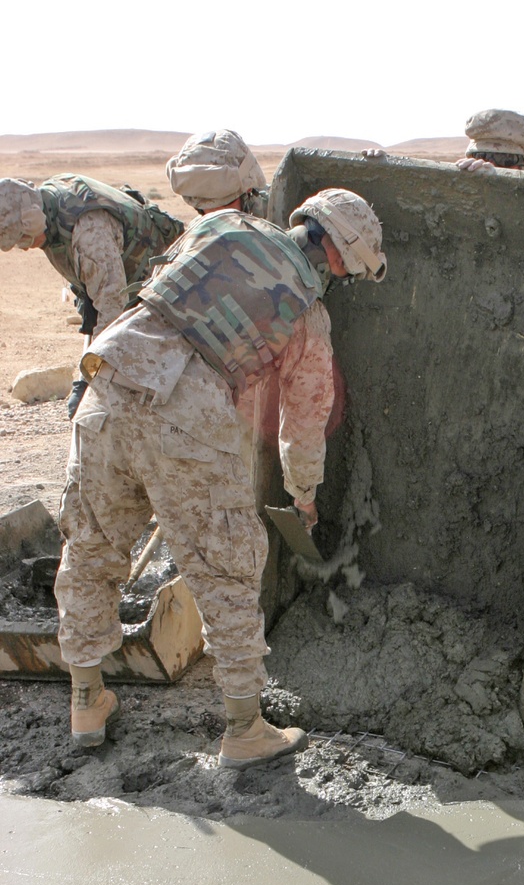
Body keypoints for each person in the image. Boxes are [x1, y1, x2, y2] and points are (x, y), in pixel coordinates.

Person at [53, 186, 387, 767]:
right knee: (227, 568)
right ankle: (244, 730)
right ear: (339, 256)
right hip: (189, 416)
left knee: (90, 549)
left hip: (108, 380)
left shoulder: (223, 226)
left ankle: (86, 699)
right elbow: (305, 419)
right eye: (349, 273)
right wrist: (302, 495)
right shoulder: (306, 311)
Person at [0, 173, 185, 412]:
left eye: (24, 239)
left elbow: (111, 311)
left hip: (165, 291)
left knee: (140, 385)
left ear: (32, 220)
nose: (24, 248)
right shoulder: (48, 201)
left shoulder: (90, 235)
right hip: (123, 284)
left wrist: (87, 377)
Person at [365, 107, 524, 187]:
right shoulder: (448, 193)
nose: (491, 166)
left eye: (507, 161)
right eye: (482, 156)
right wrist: (380, 175)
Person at [165, 128, 269, 218]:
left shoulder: (273, 213)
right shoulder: (195, 235)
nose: (217, 214)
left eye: (228, 204)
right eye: (206, 204)